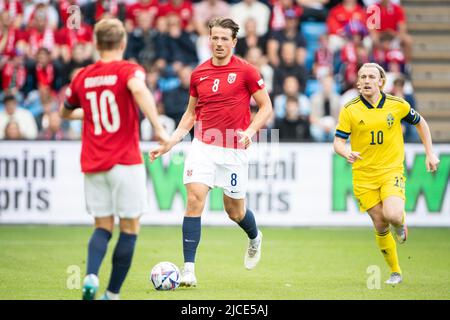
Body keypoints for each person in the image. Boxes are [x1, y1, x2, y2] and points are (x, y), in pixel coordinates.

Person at [150, 17, 273, 287]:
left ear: (233, 42)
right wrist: (170, 142)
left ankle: (254, 237)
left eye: (224, 39)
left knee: (235, 212)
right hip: (203, 147)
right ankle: (189, 270)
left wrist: (250, 132)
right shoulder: (199, 73)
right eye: (214, 38)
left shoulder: (247, 71)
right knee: (194, 200)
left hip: (233, 150)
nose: (218, 43)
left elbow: (266, 107)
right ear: (209, 39)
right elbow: (190, 114)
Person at [60, 18, 168, 300]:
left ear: (96, 44)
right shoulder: (128, 70)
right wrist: (158, 128)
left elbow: (65, 112)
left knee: (102, 226)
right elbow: (140, 89)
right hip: (125, 161)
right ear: (122, 43)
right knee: (130, 227)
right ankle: (112, 293)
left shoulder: (82, 76)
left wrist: (90, 113)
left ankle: (91, 275)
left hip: (94, 164)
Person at [333, 63, 440, 285]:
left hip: (391, 170)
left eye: (371, 76)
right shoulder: (350, 109)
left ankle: (400, 224)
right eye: (362, 77)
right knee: (380, 223)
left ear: (381, 82)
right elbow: (338, 142)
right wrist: (346, 152)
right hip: (363, 175)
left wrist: (430, 153)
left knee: (392, 215)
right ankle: (395, 271)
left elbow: (421, 123)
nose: (366, 81)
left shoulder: (397, 105)